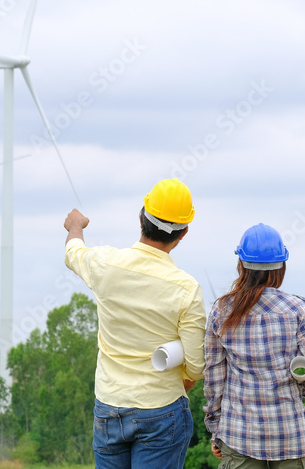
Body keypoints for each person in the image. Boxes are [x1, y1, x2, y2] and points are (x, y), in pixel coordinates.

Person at [63, 178, 205, 469]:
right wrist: (178, 384)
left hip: (109, 406)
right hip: (161, 410)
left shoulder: (105, 263)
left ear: (141, 218)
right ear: (184, 232)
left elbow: (73, 252)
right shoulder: (186, 289)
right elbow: (196, 365)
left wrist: (75, 226)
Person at [203, 223, 305, 468]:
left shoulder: (222, 311)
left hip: (238, 436)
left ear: (241, 265)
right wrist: (301, 391)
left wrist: (215, 429)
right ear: (281, 266)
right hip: (292, 437)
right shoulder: (298, 309)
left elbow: (214, 378)